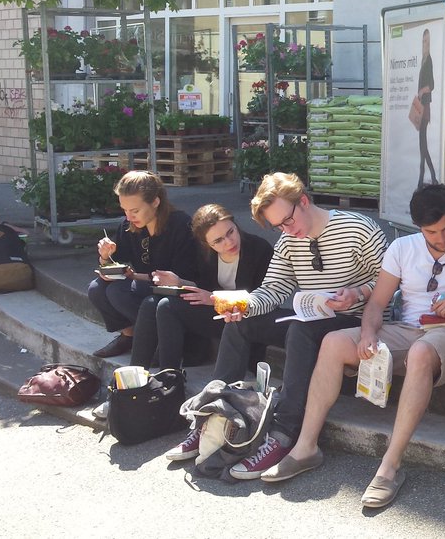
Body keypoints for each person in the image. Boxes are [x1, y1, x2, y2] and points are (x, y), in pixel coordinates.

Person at [259, 184, 445, 509]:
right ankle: (305, 448)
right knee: (335, 341)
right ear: (418, 227)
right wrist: (368, 333)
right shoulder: (402, 247)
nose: (440, 238)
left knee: (421, 353)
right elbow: (376, 302)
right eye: (430, 231)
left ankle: (389, 467)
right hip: (409, 331)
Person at [164, 172, 387, 467]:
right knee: (239, 324)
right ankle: (212, 416)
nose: (285, 230)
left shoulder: (358, 228)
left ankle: (283, 433)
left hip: (354, 321)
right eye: (278, 226)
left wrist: (359, 292)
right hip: (312, 317)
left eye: (287, 221)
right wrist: (242, 305)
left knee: (299, 330)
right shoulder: (287, 242)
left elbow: (395, 283)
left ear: (303, 202)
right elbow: (272, 290)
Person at [131, 203, 273, 374]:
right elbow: (203, 288)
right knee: (158, 304)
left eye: (230, 232)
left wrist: (214, 298)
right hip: (218, 314)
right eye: (218, 241)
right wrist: (179, 283)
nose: (228, 242)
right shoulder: (205, 254)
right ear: (207, 244)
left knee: (165, 306)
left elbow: (264, 298)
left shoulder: (260, 249)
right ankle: (148, 378)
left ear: (235, 225)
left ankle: (168, 379)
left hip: (248, 317)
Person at [89, 171, 199, 359]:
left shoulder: (181, 225)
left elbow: (178, 278)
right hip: (145, 286)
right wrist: (105, 258)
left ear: (155, 202)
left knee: (118, 291)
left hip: (175, 291)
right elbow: (118, 260)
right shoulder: (128, 225)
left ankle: (160, 338)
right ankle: (129, 335)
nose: (129, 217)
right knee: (97, 288)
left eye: (135, 210)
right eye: (125, 210)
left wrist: (133, 276)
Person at [414, 28, 437, 186]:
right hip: (421, 106)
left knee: (423, 144)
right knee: (423, 145)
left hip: (425, 107)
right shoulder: (423, 60)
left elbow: (432, 85)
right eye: (423, 41)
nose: (424, 44)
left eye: (427, 41)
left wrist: (422, 91)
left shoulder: (428, 60)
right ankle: (431, 178)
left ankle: (423, 179)